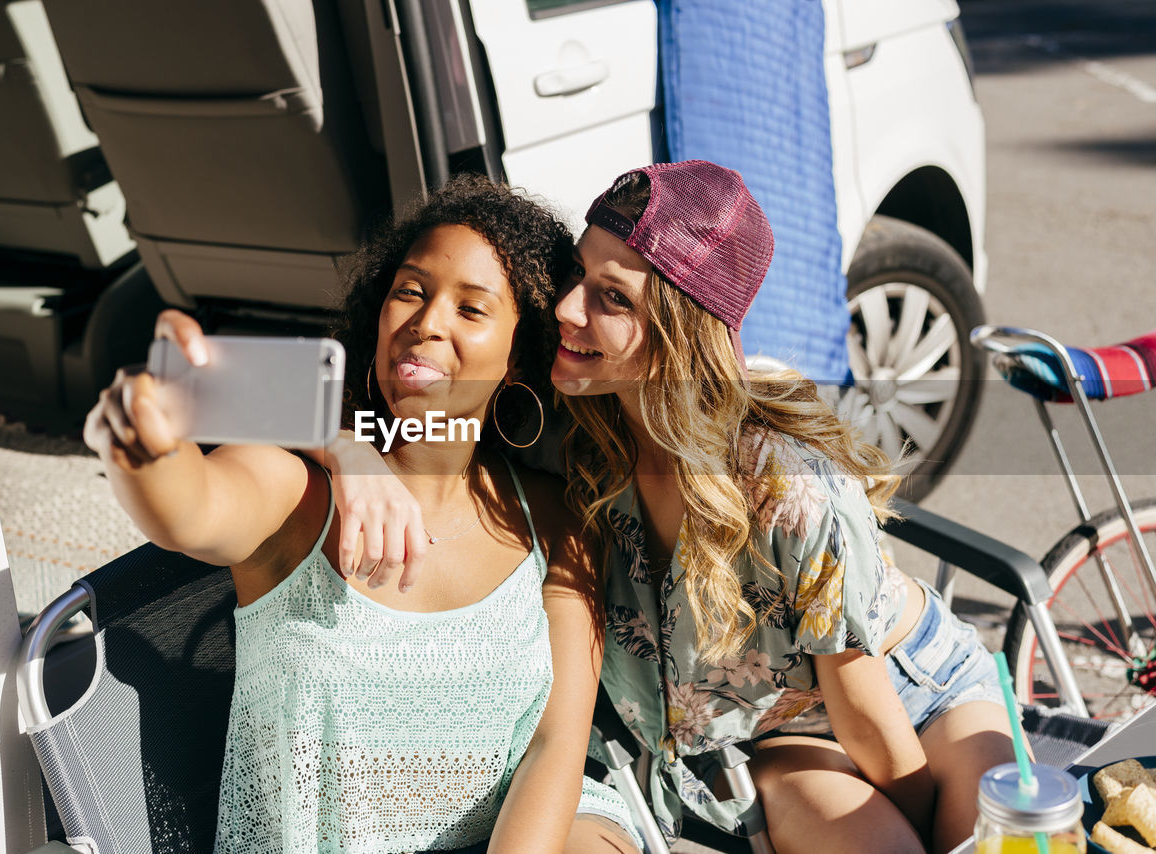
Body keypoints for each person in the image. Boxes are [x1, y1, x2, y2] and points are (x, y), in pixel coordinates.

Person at [323, 162, 1017, 854]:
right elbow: (411, 421)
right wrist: (346, 447)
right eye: (577, 276)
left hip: (918, 700)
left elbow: (872, 720)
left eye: (613, 299)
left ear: (680, 334)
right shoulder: (568, 427)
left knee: (999, 841)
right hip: (773, 736)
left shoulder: (790, 487)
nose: (566, 308)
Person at [82, 175, 641, 854]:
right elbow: (187, 510)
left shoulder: (551, 518)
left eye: (471, 309)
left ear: (517, 358)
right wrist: (144, 432)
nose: (427, 323)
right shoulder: (297, 496)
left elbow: (555, 743)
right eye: (410, 290)